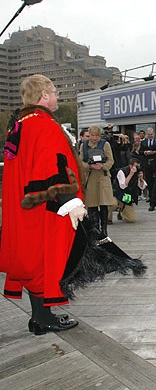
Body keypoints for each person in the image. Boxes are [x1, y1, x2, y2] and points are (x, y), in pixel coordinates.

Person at [1, 74, 85, 334]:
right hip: (45, 207)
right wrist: (70, 201)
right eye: (55, 91)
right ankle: (43, 319)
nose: (58, 96)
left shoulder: (19, 124)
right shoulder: (43, 124)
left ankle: (40, 317)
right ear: (44, 95)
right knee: (45, 258)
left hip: (24, 206)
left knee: (32, 258)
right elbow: (52, 166)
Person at [80, 124, 115, 237]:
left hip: (103, 177)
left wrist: (103, 166)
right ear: (89, 134)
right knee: (92, 205)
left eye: (97, 135)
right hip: (90, 178)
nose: (95, 138)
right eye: (93, 135)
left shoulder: (105, 144)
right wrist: (89, 166)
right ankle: (95, 229)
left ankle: (104, 229)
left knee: (104, 204)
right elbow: (81, 162)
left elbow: (111, 160)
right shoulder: (84, 146)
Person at [112, 157, 147, 223]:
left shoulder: (137, 173)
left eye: (138, 166)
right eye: (136, 166)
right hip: (117, 194)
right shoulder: (122, 172)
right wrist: (131, 174)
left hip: (127, 197)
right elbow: (123, 186)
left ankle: (121, 212)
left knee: (131, 219)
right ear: (131, 166)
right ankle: (108, 218)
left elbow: (142, 187)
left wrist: (141, 179)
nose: (137, 168)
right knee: (112, 204)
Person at [140, 127, 156, 201]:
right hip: (147, 163)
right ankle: (150, 196)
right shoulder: (143, 142)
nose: (150, 136)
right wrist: (145, 152)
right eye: (149, 134)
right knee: (149, 180)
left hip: (155, 162)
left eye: (151, 134)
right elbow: (140, 152)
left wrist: (154, 152)